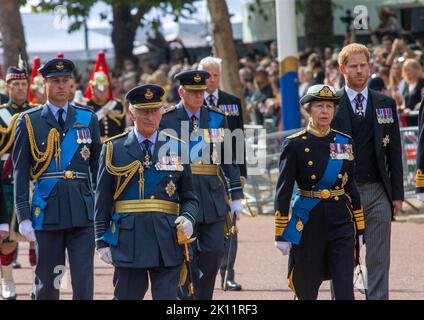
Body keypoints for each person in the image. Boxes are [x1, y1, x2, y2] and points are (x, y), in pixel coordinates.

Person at [94, 84, 198, 300]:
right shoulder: (113, 148)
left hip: (166, 238)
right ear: (132, 113)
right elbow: (102, 200)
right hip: (128, 241)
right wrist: (101, 240)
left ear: (161, 112)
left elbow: (190, 196)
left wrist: (188, 217)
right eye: (143, 111)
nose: (150, 117)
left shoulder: (178, 147)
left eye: (154, 111)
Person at [13, 58, 101, 300]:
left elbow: (97, 167)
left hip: (82, 212)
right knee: (49, 282)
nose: (61, 86)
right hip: (47, 212)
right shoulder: (29, 121)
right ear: (45, 84)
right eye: (55, 81)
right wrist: (23, 216)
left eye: (65, 81)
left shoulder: (88, 118)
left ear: (72, 84)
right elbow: (20, 172)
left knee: (83, 280)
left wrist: (100, 209)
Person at [274, 84, 365, 300]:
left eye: (329, 106)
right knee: (306, 286)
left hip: (340, 219)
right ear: (308, 109)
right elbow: (284, 189)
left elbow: (351, 186)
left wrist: (360, 228)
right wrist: (280, 232)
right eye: (319, 106)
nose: (325, 111)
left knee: (344, 286)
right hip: (308, 221)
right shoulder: (295, 144)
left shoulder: (344, 142)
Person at [160, 70, 244, 300]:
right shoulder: (166, 119)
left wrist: (236, 196)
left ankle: (203, 297)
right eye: (192, 92)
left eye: (201, 92)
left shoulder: (216, 118)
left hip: (212, 196)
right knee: (183, 255)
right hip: (180, 197)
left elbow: (228, 159)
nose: (198, 96)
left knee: (214, 251)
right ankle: (185, 299)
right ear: (181, 92)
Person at [332, 43, 404, 300]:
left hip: (377, 191)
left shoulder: (385, 103)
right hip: (342, 194)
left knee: (379, 257)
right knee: (341, 257)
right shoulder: (330, 105)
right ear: (343, 68)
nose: (360, 71)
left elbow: (394, 151)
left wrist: (397, 194)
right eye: (354, 66)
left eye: (364, 65)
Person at [198, 56, 246, 291]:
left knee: (230, 223)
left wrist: (242, 172)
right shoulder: (192, 102)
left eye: (217, 75)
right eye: (209, 76)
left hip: (228, 171)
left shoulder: (232, 102)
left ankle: (227, 272)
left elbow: (239, 139)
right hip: (202, 173)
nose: (213, 80)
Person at [0, 66, 37, 300]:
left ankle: (38, 282)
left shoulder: (38, 112)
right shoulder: (1, 114)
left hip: (35, 181)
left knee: (40, 238)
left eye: (24, 84)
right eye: (16, 84)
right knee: (6, 239)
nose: (21, 88)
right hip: (7, 180)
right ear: (8, 87)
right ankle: (8, 281)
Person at [84, 51, 126, 142]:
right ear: (92, 88)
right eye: (99, 89)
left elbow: (122, 130)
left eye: (105, 88)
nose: (102, 92)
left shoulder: (117, 105)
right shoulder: (85, 106)